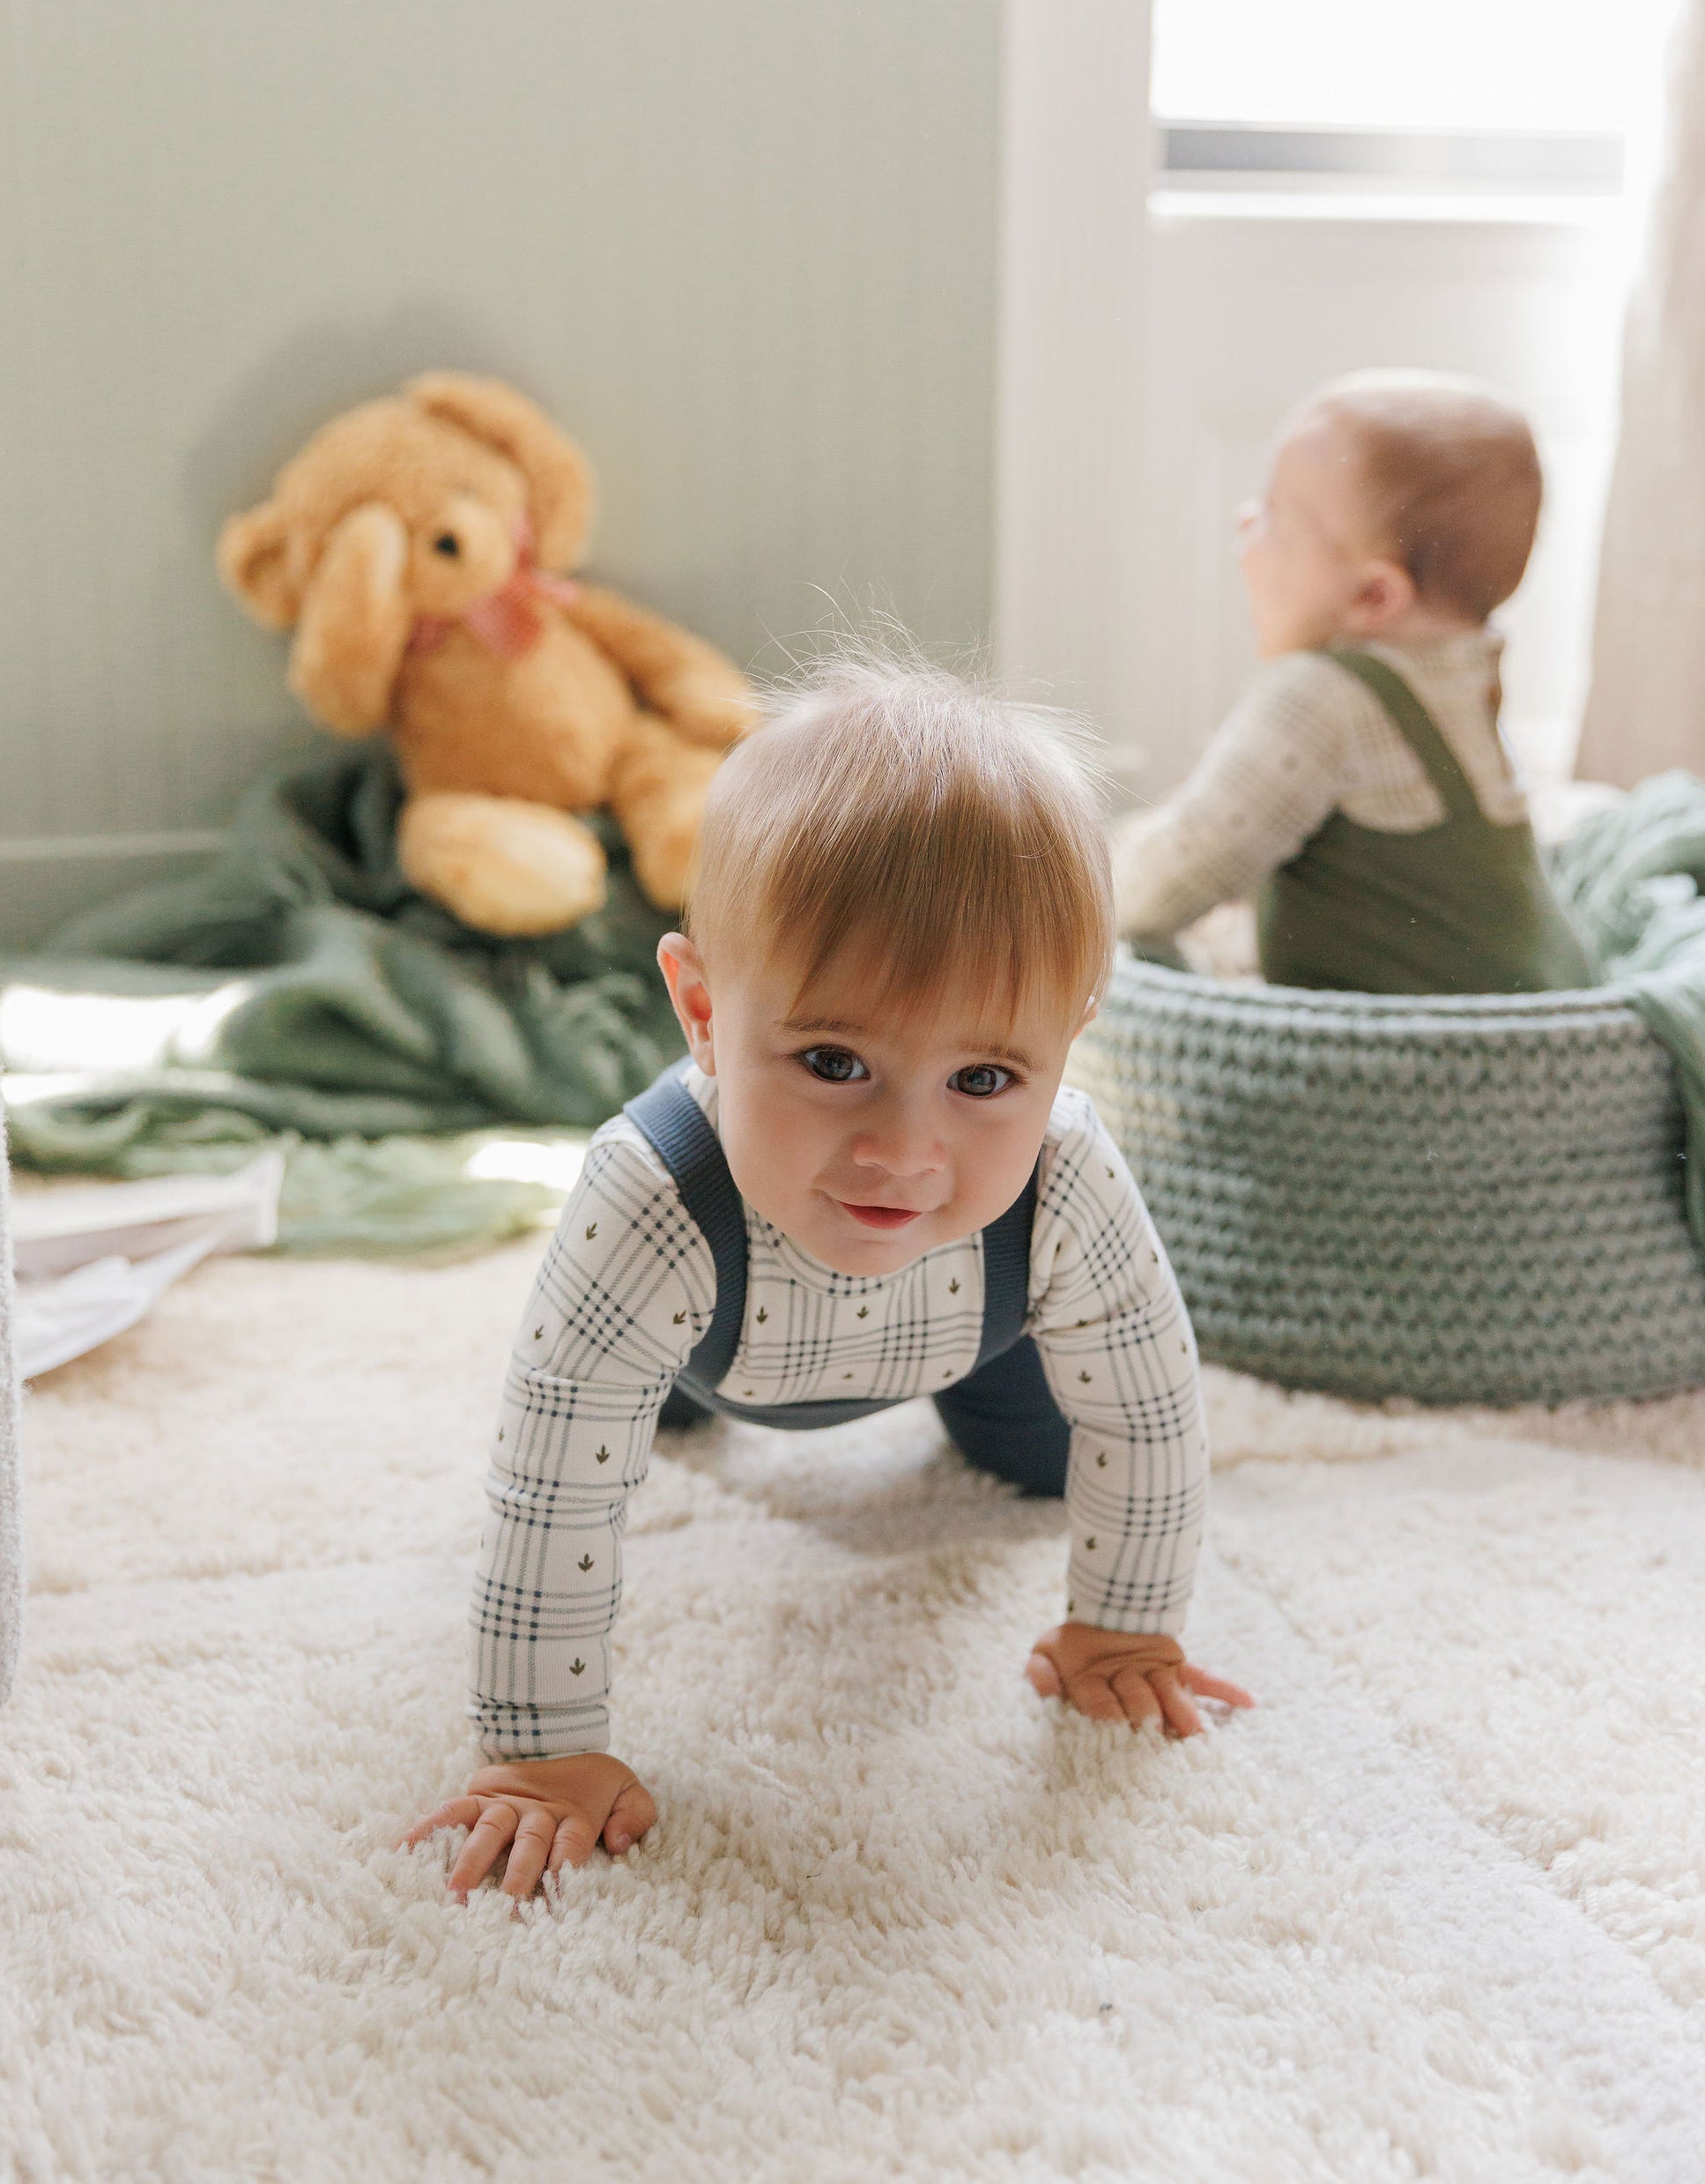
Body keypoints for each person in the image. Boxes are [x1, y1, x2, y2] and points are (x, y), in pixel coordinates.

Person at [402, 659, 1249, 1900]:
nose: (904, 1153)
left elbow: (1150, 1407)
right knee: (637, 1427)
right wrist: (540, 1752)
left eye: (983, 1079)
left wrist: (1124, 1622)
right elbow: (552, 1488)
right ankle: (686, 1394)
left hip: (980, 1331)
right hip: (714, 1337)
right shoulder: (650, 1201)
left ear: (1068, 1039)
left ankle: (989, 1404)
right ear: (701, 1008)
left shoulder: (1064, 1176)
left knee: (1048, 1467)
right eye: (833, 1058)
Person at [1110, 369, 1591, 994]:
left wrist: (1088, 881)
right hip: (1541, 1007)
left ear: (1373, 594)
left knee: (1136, 953)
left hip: (1410, 1055)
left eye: (1274, 513)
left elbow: (1182, 872)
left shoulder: (1320, 698)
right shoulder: (1465, 673)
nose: (1244, 520)